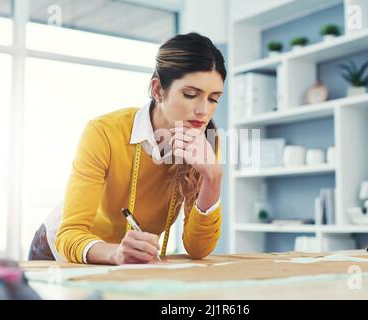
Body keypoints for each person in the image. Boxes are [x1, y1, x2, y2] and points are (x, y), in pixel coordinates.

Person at [28, 32, 226, 265]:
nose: (204, 110)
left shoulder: (204, 144)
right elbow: (70, 233)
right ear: (158, 90)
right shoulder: (104, 132)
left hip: (127, 261)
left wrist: (212, 176)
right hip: (59, 252)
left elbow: (198, 249)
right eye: (191, 94)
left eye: (214, 99)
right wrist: (115, 253)